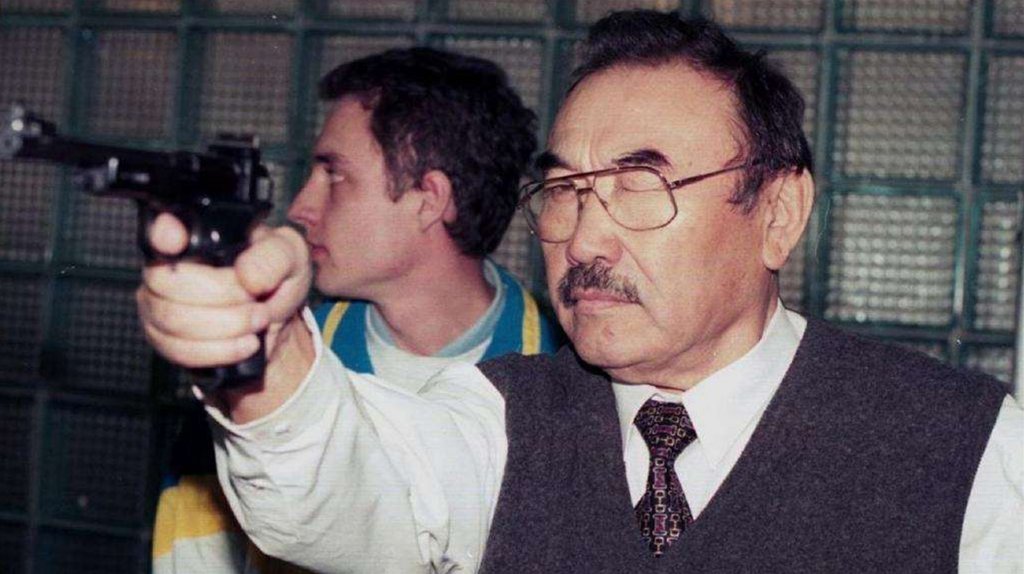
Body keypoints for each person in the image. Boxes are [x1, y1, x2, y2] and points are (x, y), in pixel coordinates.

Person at [139, 10, 1023, 574]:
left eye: (641, 183)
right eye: (564, 188)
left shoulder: (963, 443)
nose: (585, 239)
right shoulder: (498, 414)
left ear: (779, 212)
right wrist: (265, 358)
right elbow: (350, 490)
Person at [146, 47, 560, 573]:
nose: (300, 208)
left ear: (429, 199)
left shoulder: (570, 378)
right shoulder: (264, 372)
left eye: (334, 174)